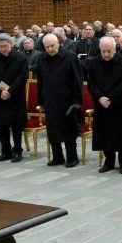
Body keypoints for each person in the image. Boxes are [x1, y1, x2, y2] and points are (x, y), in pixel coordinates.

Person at [87, 37, 122, 173]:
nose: (106, 54)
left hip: (119, 104)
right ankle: (109, 161)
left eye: (109, 51)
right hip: (101, 105)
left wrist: (110, 98)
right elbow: (91, 84)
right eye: (103, 51)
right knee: (104, 133)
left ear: (115, 49)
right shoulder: (94, 62)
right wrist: (100, 97)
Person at [37, 33, 84, 167]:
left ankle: (72, 158)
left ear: (58, 43)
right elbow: (40, 80)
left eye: (52, 46)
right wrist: (40, 100)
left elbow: (78, 80)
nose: (50, 49)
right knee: (52, 130)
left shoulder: (70, 57)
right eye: (47, 47)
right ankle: (57, 157)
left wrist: (77, 101)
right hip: (50, 100)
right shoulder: (42, 58)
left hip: (67, 101)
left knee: (68, 130)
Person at [0, 33, 28, 162]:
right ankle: (6, 151)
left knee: (16, 126)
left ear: (11, 44)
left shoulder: (20, 58)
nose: (3, 49)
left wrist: (9, 91)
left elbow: (23, 76)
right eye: (0, 46)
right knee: (2, 125)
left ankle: (17, 151)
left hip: (15, 96)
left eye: (5, 46)